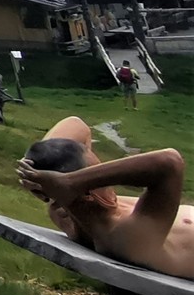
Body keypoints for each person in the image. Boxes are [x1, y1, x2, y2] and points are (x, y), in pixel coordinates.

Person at [16, 117, 190, 279]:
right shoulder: (125, 237)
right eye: (98, 177)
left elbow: (77, 125)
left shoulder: (65, 208)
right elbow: (170, 162)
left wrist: (31, 170)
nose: (107, 178)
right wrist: (70, 182)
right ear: (86, 194)